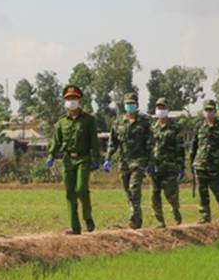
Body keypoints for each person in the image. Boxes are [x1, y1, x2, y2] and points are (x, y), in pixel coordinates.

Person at [46, 85, 101, 235]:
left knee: (81, 189)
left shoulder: (89, 120)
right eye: (69, 99)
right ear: (65, 101)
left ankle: (88, 217)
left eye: (74, 98)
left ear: (79, 100)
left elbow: (94, 141)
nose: (71, 101)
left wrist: (96, 158)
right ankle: (75, 226)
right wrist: (51, 155)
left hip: (83, 158)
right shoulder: (61, 123)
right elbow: (55, 141)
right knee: (70, 193)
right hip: (67, 160)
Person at [104, 92, 152, 229]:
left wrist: (151, 162)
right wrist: (107, 158)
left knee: (134, 188)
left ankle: (133, 218)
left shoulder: (145, 122)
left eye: (132, 104)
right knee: (128, 191)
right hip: (124, 162)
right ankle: (137, 217)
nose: (129, 106)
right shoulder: (118, 122)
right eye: (127, 104)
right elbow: (112, 142)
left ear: (136, 105)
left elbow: (150, 143)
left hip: (139, 161)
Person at [189, 99, 219, 223]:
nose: (209, 112)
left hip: (216, 166)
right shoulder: (198, 126)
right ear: (203, 111)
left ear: (215, 111)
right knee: (202, 193)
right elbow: (194, 145)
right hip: (200, 164)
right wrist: (192, 162)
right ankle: (205, 216)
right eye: (207, 110)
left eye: (211, 110)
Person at [149, 97, 184, 227]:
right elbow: (148, 146)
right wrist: (149, 163)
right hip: (155, 167)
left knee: (171, 195)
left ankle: (175, 210)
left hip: (170, 167)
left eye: (163, 107)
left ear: (167, 109)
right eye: (158, 108)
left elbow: (179, 148)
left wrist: (181, 166)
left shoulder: (175, 128)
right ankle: (160, 221)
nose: (160, 110)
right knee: (154, 195)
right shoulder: (152, 128)